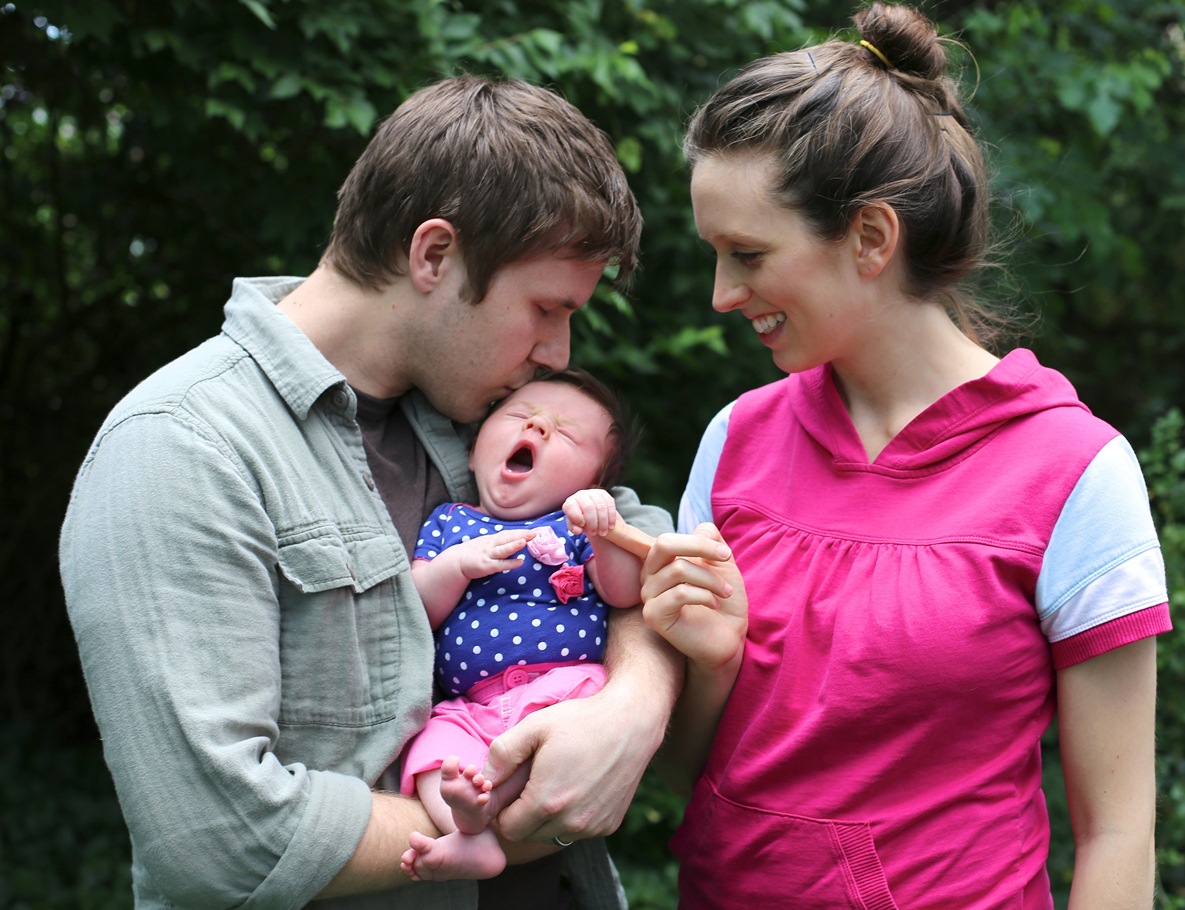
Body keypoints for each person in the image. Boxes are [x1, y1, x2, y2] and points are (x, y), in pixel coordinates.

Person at [59, 75, 678, 910]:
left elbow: (636, 538)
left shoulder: (474, 405)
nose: (559, 354)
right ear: (434, 256)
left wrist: (632, 708)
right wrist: (511, 821)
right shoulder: (180, 446)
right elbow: (217, 840)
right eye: (545, 308)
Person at [638, 4, 1170, 908]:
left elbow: (1117, 833)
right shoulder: (735, 441)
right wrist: (711, 665)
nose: (723, 294)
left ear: (872, 238)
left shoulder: (1074, 472)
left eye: (748, 255)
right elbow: (684, 775)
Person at [396, 368, 645, 883]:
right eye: (519, 416)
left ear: (594, 483)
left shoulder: (575, 526)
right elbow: (418, 609)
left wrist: (606, 528)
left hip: (565, 689)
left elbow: (624, 593)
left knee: (568, 736)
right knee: (428, 753)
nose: (538, 427)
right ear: (473, 452)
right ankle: (470, 834)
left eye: (566, 433)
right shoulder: (449, 521)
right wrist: (456, 566)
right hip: (474, 706)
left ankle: (485, 809)